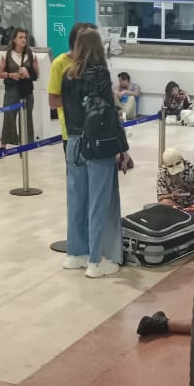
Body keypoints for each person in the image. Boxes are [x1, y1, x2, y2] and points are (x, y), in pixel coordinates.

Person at [60, 28, 128, 278]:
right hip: (97, 145)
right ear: (99, 47)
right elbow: (108, 114)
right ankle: (96, 260)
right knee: (100, 201)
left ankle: (74, 254)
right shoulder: (100, 73)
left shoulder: (68, 74)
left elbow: (64, 109)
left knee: (76, 199)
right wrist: (122, 147)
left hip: (73, 142)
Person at [47, 21, 96, 152]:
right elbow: (53, 102)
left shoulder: (93, 62)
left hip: (95, 129)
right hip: (72, 132)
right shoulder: (59, 64)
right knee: (76, 172)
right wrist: (79, 99)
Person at [0, 27, 39, 150]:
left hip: (26, 91)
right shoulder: (7, 54)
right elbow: (0, 73)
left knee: (27, 118)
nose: (23, 40)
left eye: (25, 37)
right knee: (9, 116)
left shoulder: (32, 55)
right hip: (11, 90)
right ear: (14, 39)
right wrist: (11, 75)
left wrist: (28, 75)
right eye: (20, 37)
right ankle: (4, 143)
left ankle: (26, 143)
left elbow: (37, 75)